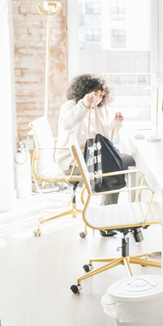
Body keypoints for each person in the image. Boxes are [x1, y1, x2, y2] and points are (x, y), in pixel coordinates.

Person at [55, 73, 135, 237]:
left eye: (100, 95)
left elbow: (104, 140)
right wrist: (85, 104)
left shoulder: (100, 109)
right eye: (93, 94)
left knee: (128, 160)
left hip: (96, 157)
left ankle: (112, 210)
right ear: (84, 92)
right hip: (73, 162)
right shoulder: (71, 106)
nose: (97, 99)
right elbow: (67, 123)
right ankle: (106, 220)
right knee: (113, 167)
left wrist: (116, 124)